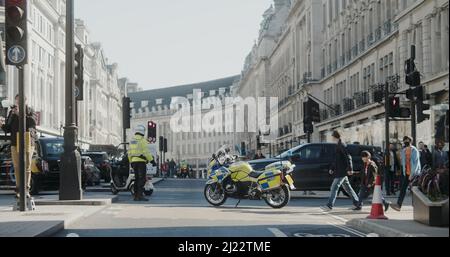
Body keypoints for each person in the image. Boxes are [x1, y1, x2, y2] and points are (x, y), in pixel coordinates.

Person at [0, 95, 37, 200]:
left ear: (25, 101)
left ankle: (26, 188)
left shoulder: (30, 110)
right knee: (16, 166)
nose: (18, 103)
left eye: (20, 101)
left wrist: (20, 114)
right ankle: (19, 189)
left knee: (27, 166)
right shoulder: (12, 112)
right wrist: (2, 124)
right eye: (17, 101)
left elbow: (32, 123)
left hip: (27, 140)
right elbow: (8, 128)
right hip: (15, 141)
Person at [322, 131, 360, 211]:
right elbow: (336, 159)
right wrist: (332, 168)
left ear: (335, 137)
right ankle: (357, 203)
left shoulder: (342, 145)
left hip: (342, 171)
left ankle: (329, 205)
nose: (332, 139)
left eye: (332, 137)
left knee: (334, 187)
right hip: (339, 170)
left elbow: (348, 157)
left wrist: (350, 169)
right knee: (348, 188)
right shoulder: (338, 145)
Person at [390, 136, 421, 211]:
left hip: (414, 173)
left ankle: (416, 207)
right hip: (406, 173)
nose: (406, 142)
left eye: (407, 140)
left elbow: (416, 164)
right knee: (403, 189)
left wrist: (411, 174)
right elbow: (404, 163)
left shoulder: (414, 150)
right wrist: (404, 172)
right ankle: (398, 205)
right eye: (404, 140)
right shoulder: (403, 151)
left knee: (415, 190)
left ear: (411, 141)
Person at [128, 125, 155, 201]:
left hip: (134, 162)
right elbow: (146, 152)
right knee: (142, 179)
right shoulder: (142, 140)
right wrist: (152, 160)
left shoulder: (132, 140)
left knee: (136, 179)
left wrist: (131, 161)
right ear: (142, 132)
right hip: (141, 162)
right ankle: (140, 196)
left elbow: (129, 152)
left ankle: (136, 196)